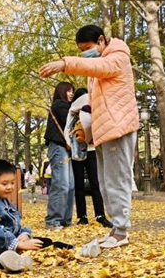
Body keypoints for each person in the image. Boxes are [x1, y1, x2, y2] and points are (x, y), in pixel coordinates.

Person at [39, 24, 138, 249]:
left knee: (116, 180)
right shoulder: (98, 70)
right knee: (105, 183)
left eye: (87, 48)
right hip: (105, 130)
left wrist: (64, 63)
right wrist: (85, 129)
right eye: (81, 50)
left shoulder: (118, 56)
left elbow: (100, 66)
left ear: (102, 40)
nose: (86, 53)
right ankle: (116, 230)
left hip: (118, 127)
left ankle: (121, 231)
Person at [0, 159, 73, 272]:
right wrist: (17, 244)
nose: (10, 187)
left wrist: (24, 234)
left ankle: (69, 249)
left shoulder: (6, 202)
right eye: (4, 184)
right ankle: (15, 262)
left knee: (42, 241)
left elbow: (15, 225)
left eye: (12, 183)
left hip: (5, 242)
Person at [67, 87, 112, 227]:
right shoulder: (73, 113)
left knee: (90, 184)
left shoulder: (91, 110)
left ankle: (94, 216)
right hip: (80, 150)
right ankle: (89, 216)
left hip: (87, 150)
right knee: (86, 184)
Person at [43, 81, 75, 229]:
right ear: (62, 92)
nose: (71, 93)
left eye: (72, 91)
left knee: (69, 186)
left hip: (65, 149)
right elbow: (70, 121)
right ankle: (53, 220)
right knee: (60, 184)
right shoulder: (59, 105)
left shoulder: (67, 107)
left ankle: (65, 220)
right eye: (68, 91)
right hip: (58, 147)